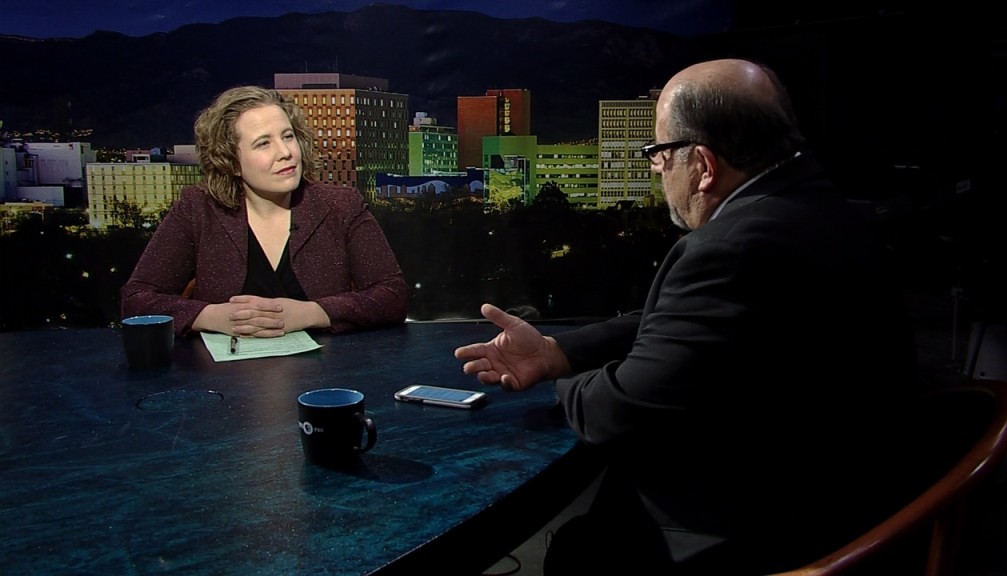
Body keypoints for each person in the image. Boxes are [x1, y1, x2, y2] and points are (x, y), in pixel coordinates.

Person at [455, 59, 921, 574]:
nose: (655, 167)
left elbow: (623, 412)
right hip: (849, 495)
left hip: (768, 534)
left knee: (583, 549)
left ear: (702, 165)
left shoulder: (739, 244)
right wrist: (556, 353)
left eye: (659, 153)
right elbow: (684, 323)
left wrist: (558, 388)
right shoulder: (809, 204)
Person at [122, 86, 409, 337]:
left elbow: (392, 296)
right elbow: (136, 299)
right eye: (263, 143)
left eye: (288, 136)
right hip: (224, 381)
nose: (285, 152)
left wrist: (312, 313)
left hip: (327, 376)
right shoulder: (197, 209)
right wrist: (211, 317)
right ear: (231, 161)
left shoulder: (342, 206)